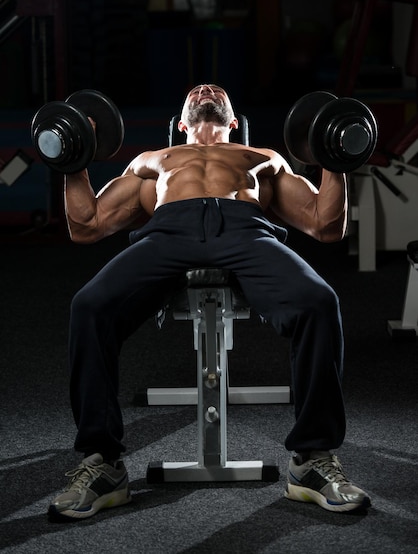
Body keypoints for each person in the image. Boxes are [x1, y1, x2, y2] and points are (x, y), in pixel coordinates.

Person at [49, 84, 371, 521]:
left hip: (245, 230)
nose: (205, 90)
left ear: (233, 121)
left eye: (216, 90)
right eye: (196, 91)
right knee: (89, 307)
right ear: (180, 124)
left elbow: (324, 225)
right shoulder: (152, 161)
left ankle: (312, 460)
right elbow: (86, 225)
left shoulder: (262, 157)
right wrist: (74, 157)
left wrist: (336, 157)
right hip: (169, 231)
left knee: (318, 302)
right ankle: (102, 464)